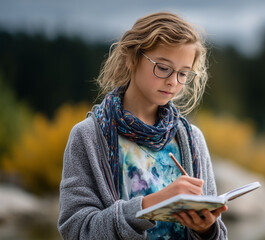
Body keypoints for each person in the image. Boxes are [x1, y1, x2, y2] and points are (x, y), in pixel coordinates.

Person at [58, 12, 228, 239]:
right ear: (131, 58)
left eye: (183, 73)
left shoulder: (192, 139)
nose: (173, 81)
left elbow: (220, 235)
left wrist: (206, 230)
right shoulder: (87, 136)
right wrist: (151, 205)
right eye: (163, 67)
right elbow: (76, 230)